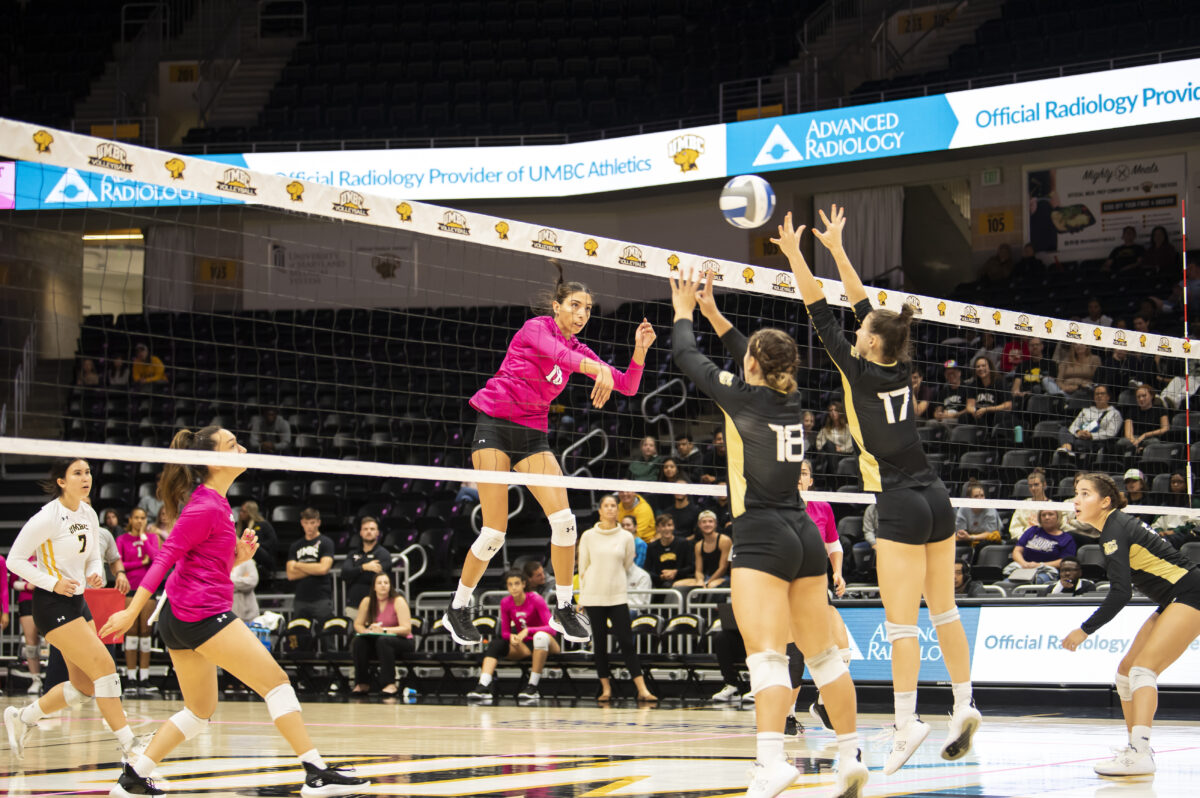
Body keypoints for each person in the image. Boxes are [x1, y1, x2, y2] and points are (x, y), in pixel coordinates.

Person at [776, 205, 978, 776]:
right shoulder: (897, 363)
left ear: (867, 345)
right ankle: (964, 702)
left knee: (900, 624)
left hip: (898, 500)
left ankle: (907, 721)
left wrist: (796, 255)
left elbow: (820, 308)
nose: (857, 327)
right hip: (937, 494)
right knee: (945, 611)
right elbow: (865, 306)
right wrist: (838, 248)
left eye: (861, 331)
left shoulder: (858, 370)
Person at [670, 264, 866, 798]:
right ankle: (850, 756)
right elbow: (746, 356)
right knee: (823, 656)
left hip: (759, 532)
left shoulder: (744, 396)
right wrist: (713, 312)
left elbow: (687, 358)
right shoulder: (787, 398)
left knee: (767, 657)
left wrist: (685, 313)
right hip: (803, 533)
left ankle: (772, 762)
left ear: (754, 364)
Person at [100, 427, 368, 796]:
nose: (242, 448)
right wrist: (130, 613)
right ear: (212, 460)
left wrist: (235, 557)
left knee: (199, 711)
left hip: (180, 618)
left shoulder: (217, 504)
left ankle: (133, 778)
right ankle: (316, 772)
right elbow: (166, 556)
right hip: (200, 614)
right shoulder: (205, 505)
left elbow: (204, 567)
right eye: (232, 445)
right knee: (276, 684)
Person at [443, 266, 655, 647]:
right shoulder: (536, 328)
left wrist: (639, 351)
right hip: (493, 426)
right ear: (557, 306)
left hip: (532, 436)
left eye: (588, 309)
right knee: (494, 532)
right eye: (575, 305)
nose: (582, 314)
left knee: (566, 522)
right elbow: (560, 355)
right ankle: (458, 607)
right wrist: (595, 369)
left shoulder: (579, 349)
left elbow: (627, 385)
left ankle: (564, 607)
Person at [1060, 473, 1200, 776]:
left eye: (1085, 494)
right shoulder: (1114, 527)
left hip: (1191, 592)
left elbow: (1121, 593)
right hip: (1174, 597)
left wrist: (1084, 630)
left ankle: (1140, 750)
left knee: (1143, 670)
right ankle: (1137, 750)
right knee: (1125, 674)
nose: (1077, 500)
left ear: (1105, 501)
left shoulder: (1113, 530)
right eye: (1076, 493)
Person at [3, 459, 139, 762]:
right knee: (105, 669)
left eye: (88, 472)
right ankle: (131, 746)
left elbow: (93, 555)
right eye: (77, 473)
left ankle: (22, 717)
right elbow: (15, 560)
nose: (86, 477)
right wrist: (52, 582)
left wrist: (95, 574)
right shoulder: (47, 517)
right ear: (62, 481)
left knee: (84, 687)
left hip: (78, 602)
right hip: (51, 605)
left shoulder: (89, 512)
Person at [577, 495, 657, 703]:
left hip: (617, 595)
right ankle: (606, 688)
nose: (611, 509)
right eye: (607, 506)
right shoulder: (588, 536)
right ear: (600, 510)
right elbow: (583, 567)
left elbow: (627, 564)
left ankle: (642, 689)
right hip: (594, 596)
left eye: (614, 505)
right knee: (600, 644)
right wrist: (582, 598)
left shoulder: (625, 537)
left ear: (618, 510)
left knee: (626, 642)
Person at [467, 569, 557, 703]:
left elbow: (552, 629)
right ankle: (483, 685)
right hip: (524, 645)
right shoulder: (506, 603)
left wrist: (528, 631)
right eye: (510, 584)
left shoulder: (535, 599)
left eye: (517, 583)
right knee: (496, 644)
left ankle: (532, 687)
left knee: (540, 637)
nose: (514, 587)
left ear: (523, 584)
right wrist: (511, 637)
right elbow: (505, 632)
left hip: (548, 644)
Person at [117, 507, 160, 693]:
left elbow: (157, 558)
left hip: (148, 589)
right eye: (136, 517)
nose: (140, 521)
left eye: (143, 518)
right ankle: (131, 677)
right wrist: (139, 564)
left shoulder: (151, 538)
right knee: (131, 631)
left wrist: (144, 538)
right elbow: (119, 564)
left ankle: (144, 678)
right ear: (131, 519)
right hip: (130, 589)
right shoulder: (122, 539)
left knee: (145, 632)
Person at [350, 573, 414, 696]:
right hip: (378, 641)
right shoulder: (367, 602)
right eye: (379, 583)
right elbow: (358, 624)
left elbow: (406, 628)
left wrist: (384, 630)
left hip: (402, 641)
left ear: (390, 586)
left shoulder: (398, 601)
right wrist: (367, 631)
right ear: (374, 587)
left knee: (384, 640)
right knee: (359, 642)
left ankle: (389, 684)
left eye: (386, 583)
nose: (383, 586)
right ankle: (362, 683)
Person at [286, 508, 336, 622]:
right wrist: (314, 567)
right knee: (301, 635)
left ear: (318, 522)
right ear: (302, 523)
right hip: (301, 598)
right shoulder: (295, 545)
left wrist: (298, 565)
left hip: (321, 597)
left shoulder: (326, 542)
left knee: (326, 635)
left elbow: (323, 569)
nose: (309, 526)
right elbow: (290, 574)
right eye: (306, 523)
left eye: (312, 523)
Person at [340, 516, 392, 615]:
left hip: (377, 606)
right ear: (361, 532)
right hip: (354, 606)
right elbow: (344, 574)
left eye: (372, 529)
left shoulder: (383, 554)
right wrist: (364, 567)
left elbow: (374, 578)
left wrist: (355, 573)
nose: (369, 531)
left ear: (377, 532)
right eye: (365, 529)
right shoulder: (353, 554)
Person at [672, 510, 732, 588]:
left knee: (711, 585)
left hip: (724, 578)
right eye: (704, 522)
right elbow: (698, 571)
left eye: (710, 521)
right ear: (699, 525)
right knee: (677, 585)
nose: (707, 524)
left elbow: (722, 568)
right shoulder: (698, 545)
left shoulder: (724, 540)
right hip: (706, 577)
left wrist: (707, 583)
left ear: (715, 524)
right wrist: (700, 581)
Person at [1058, 384, 1123, 454]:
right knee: (1063, 429)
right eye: (1097, 394)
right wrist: (1078, 432)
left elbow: (1111, 433)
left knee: (1077, 441)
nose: (1099, 396)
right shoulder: (1085, 411)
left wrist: (1091, 436)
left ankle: (1069, 450)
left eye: (1102, 394)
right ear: (1094, 397)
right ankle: (1067, 449)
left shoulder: (1114, 413)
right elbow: (1073, 426)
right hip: (1079, 437)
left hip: (1097, 441)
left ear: (1108, 397)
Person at [10, 559, 42, 694]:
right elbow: (12, 582)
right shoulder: (22, 557)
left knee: (54, 641)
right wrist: (26, 586)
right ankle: (36, 679)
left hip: (48, 599)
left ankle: (55, 677)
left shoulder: (48, 553)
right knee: (30, 642)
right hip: (27, 601)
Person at [1010, 509, 1076, 571]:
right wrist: (1024, 564)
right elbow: (1017, 551)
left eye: (1050, 514)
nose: (1046, 517)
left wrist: (1040, 565)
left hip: (1047, 570)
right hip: (1023, 567)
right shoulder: (1032, 530)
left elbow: (1064, 561)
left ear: (1058, 517)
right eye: (1043, 515)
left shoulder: (1067, 538)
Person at [964, 356, 1011, 434]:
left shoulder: (1000, 382)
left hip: (994, 413)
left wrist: (986, 409)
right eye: (978, 366)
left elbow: (1008, 405)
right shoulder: (973, 385)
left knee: (995, 416)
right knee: (965, 416)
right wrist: (974, 411)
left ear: (990, 367)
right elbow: (969, 405)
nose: (981, 368)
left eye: (983, 365)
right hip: (979, 414)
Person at [645, 513, 694, 588]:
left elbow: (691, 567)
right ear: (657, 528)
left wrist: (675, 572)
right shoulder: (652, 547)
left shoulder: (684, 543)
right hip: (659, 582)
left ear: (673, 527)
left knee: (667, 585)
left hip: (679, 581)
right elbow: (647, 570)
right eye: (663, 526)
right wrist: (660, 577)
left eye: (669, 525)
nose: (667, 528)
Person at [237, 500, 278, 589]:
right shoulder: (241, 527)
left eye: (244, 512)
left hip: (264, 555)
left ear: (250, 512)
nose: (241, 514)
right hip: (246, 557)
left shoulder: (264, 525)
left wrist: (257, 544)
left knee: (251, 546)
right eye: (240, 511)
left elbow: (272, 542)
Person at [1119, 384, 1169, 455]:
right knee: (1122, 442)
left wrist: (1145, 435)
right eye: (1138, 397)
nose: (1141, 399)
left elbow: (1165, 428)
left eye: (1144, 396)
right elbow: (1128, 433)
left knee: (1153, 443)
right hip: (1134, 438)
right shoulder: (1132, 411)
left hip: (1151, 437)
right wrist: (1135, 443)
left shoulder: (1160, 410)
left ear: (1151, 396)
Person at [955, 482, 1001, 549]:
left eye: (982, 495)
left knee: (982, 545)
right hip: (967, 539)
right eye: (976, 496)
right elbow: (960, 532)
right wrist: (964, 535)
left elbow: (990, 533)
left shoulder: (990, 509)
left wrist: (971, 537)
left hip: (986, 540)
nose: (980, 499)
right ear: (969, 499)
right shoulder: (963, 509)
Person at [932, 360, 973, 424]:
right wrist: (938, 415)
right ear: (945, 375)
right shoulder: (943, 391)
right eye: (948, 373)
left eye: (953, 373)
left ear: (959, 373)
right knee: (931, 423)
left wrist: (954, 415)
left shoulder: (967, 388)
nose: (951, 375)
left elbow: (970, 408)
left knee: (945, 422)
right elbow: (938, 409)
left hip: (960, 419)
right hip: (945, 417)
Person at [231, 556, 260, 623]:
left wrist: (228, 580)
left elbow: (252, 582)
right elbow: (216, 583)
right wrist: (242, 580)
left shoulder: (247, 561)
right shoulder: (217, 562)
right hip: (226, 615)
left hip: (249, 615)